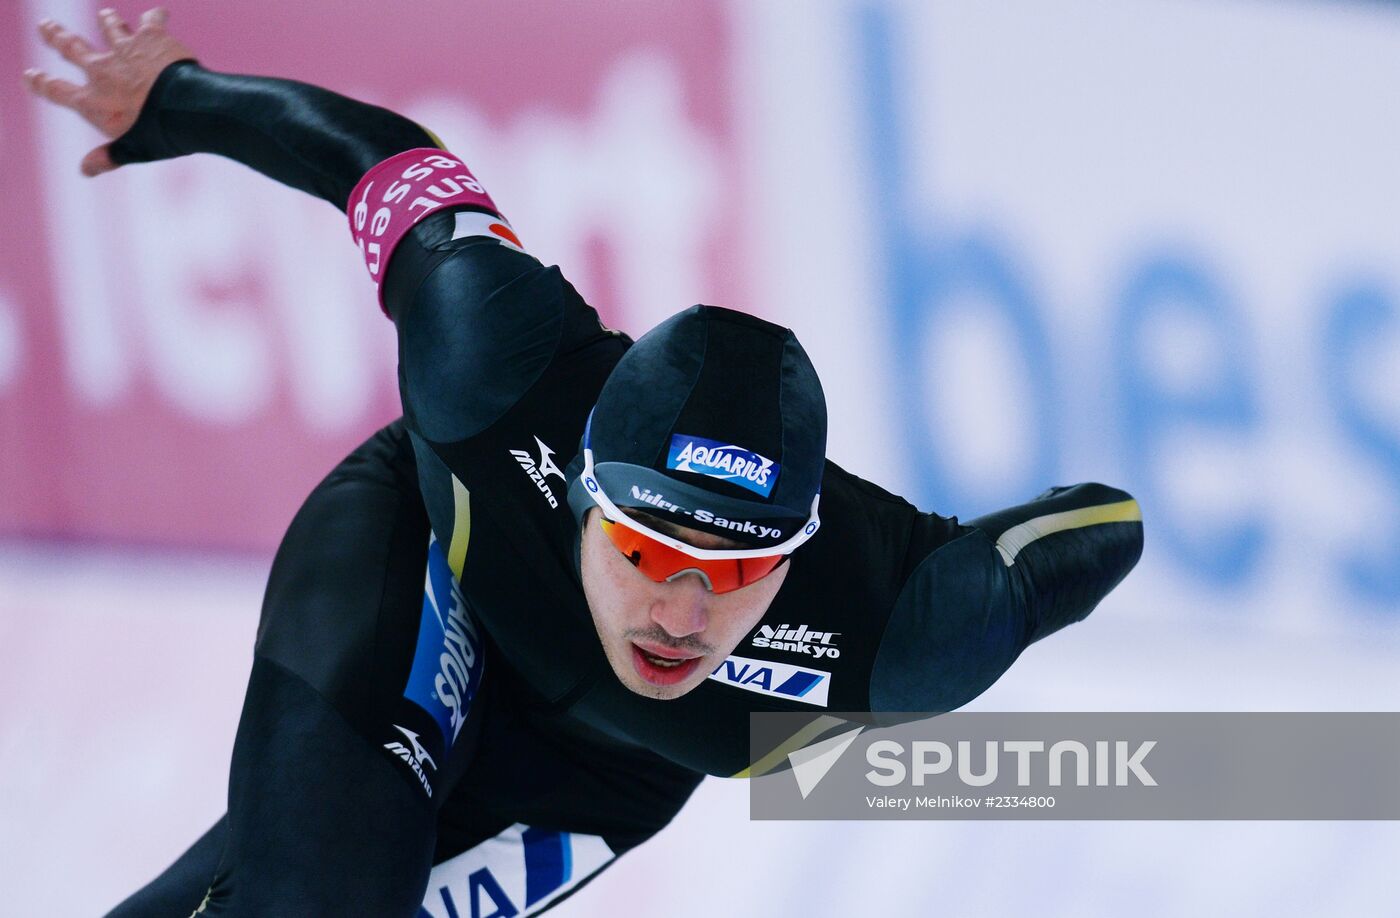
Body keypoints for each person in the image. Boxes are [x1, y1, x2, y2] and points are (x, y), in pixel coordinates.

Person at [26, 8, 1146, 916]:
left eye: (735, 570)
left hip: (599, 771)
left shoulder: (906, 626)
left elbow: (1106, 526)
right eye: (649, 548)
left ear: (794, 556)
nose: (678, 610)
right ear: (582, 492)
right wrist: (180, 100)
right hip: (427, 572)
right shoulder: (493, 358)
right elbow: (381, 162)